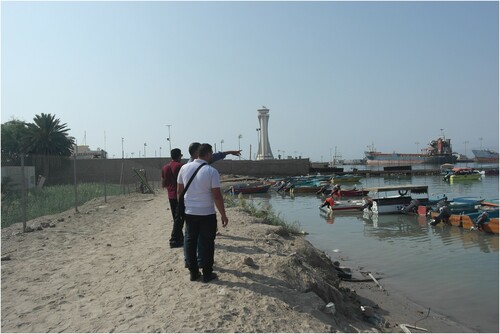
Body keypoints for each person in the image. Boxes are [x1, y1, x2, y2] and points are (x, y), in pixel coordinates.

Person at [177, 143, 228, 283]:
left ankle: (193, 273)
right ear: (208, 154)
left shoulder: (184, 168)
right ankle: (207, 273)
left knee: (190, 241)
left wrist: (182, 208)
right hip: (207, 213)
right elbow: (217, 196)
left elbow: (179, 192)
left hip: (190, 212)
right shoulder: (211, 171)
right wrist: (223, 214)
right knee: (207, 243)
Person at [161, 148, 185, 248]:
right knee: (180, 218)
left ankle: (180, 237)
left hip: (170, 195)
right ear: (179, 156)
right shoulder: (181, 166)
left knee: (176, 218)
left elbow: (163, 184)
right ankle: (174, 239)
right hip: (179, 195)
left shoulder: (165, 168)